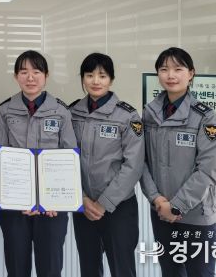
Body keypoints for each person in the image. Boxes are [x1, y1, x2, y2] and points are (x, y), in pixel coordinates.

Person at [0, 50, 77, 277]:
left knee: (50, 269)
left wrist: (54, 200)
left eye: (36, 71)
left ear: (46, 75)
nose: (30, 77)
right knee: (17, 268)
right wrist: (22, 196)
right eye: (23, 72)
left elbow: (69, 158)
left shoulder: (61, 111)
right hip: (15, 205)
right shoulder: (5, 110)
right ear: (16, 76)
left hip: (51, 208)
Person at [140, 47, 216, 277]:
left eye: (178, 69)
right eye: (164, 69)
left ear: (191, 73)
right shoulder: (149, 114)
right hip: (161, 212)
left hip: (197, 215)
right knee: (170, 272)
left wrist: (176, 206)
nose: (171, 75)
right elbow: (141, 161)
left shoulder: (206, 118)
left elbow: (207, 170)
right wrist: (156, 199)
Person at [68, 53, 144, 277]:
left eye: (102, 75)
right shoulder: (71, 113)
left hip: (118, 207)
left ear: (111, 79)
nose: (95, 81)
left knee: (122, 269)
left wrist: (104, 203)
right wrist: (82, 198)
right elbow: (65, 159)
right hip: (83, 206)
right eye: (89, 75)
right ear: (82, 78)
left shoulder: (127, 116)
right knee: (89, 268)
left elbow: (134, 165)